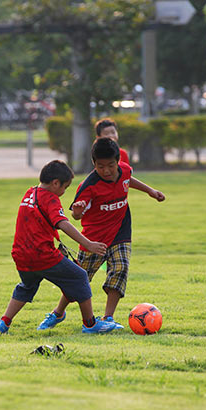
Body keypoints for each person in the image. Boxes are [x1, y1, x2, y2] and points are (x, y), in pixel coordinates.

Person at [38, 138, 165, 330]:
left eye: (110, 166)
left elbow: (128, 179)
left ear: (117, 161)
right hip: (93, 239)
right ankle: (58, 313)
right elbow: (76, 216)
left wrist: (150, 191)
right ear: (94, 164)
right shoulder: (88, 185)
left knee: (120, 269)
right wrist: (78, 211)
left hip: (121, 231)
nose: (106, 170)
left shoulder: (124, 170)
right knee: (80, 279)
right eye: (100, 166)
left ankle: (107, 318)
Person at [0, 160, 118, 334]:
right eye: (64, 188)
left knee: (27, 286)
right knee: (80, 276)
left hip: (21, 255)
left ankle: (3, 322)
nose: (63, 192)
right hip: (42, 255)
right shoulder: (50, 198)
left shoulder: (30, 193)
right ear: (55, 183)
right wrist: (88, 244)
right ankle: (90, 324)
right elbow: (63, 223)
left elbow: (37, 224)